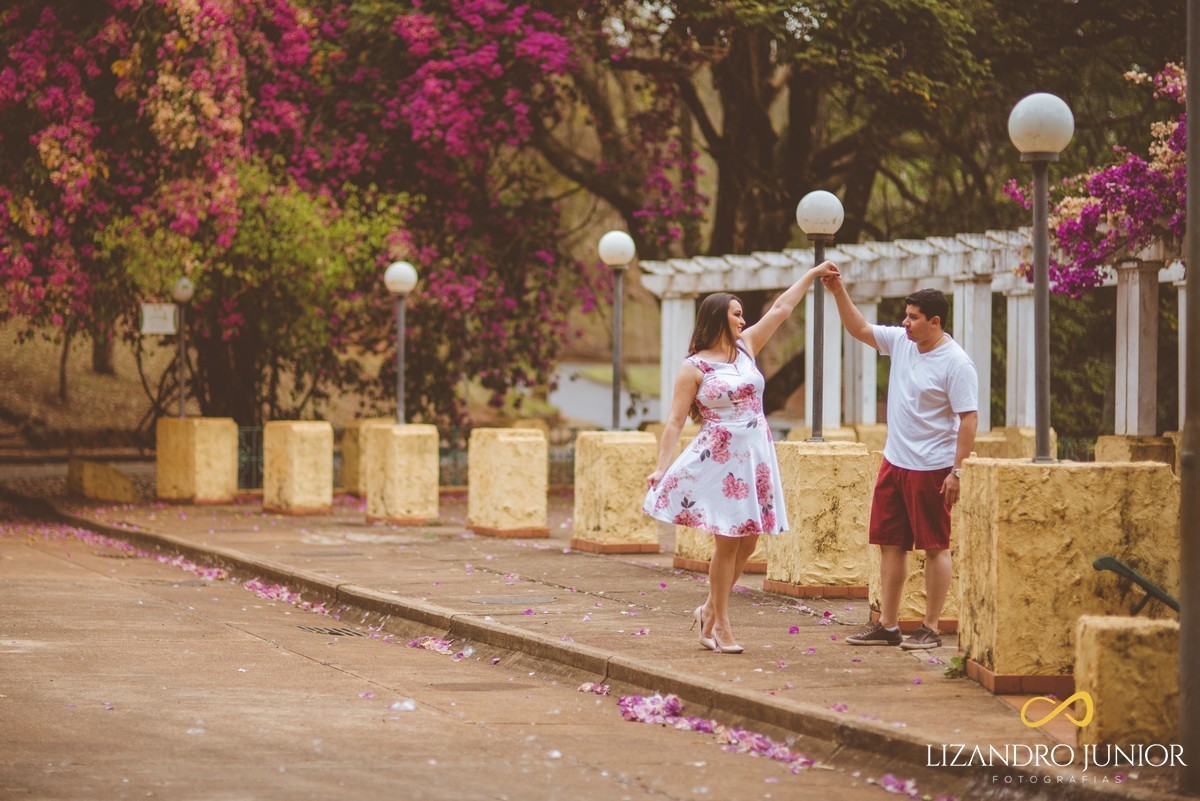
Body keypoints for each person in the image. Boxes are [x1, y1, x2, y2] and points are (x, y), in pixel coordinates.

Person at [644, 262, 839, 654]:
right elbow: (674, 421)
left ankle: (707, 610)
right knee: (728, 543)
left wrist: (813, 273)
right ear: (717, 317)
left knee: (749, 544)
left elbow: (782, 309)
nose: (742, 319)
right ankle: (721, 623)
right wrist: (661, 466)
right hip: (719, 459)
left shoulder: (746, 347)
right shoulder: (693, 367)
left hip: (755, 455)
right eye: (735, 313)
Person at [820, 272, 979, 651]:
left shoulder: (956, 363)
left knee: (936, 547)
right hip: (895, 462)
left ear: (935, 322)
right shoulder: (902, 342)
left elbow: (969, 419)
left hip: (933, 468)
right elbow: (858, 328)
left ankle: (930, 628)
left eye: (912, 317)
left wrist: (957, 471)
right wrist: (838, 290)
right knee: (890, 544)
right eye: (905, 316)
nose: (904, 323)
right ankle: (888, 625)